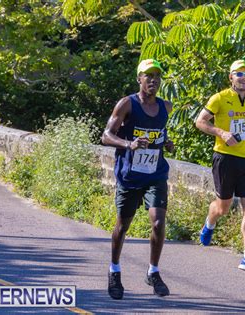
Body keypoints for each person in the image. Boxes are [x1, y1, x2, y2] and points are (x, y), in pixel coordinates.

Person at [101, 59, 174, 299]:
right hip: (130, 175)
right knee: (123, 227)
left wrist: (167, 143)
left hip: (155, 173)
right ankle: (114, 270)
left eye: (157, 76)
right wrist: (128, 144)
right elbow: (106, 136)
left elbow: (158, 135)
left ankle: (153, 271)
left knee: (158, 224)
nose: (153, 80)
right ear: (139, 79)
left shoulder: (166, 106)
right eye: (148, 75)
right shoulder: (127, 104)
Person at [195, 59, 245, 272]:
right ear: (231, 77)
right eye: (239, 73)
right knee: (223, 207)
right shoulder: (220, 98)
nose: (243, 77)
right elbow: (200, 122)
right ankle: (209, 223)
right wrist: (222, 133)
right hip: (225, 157)